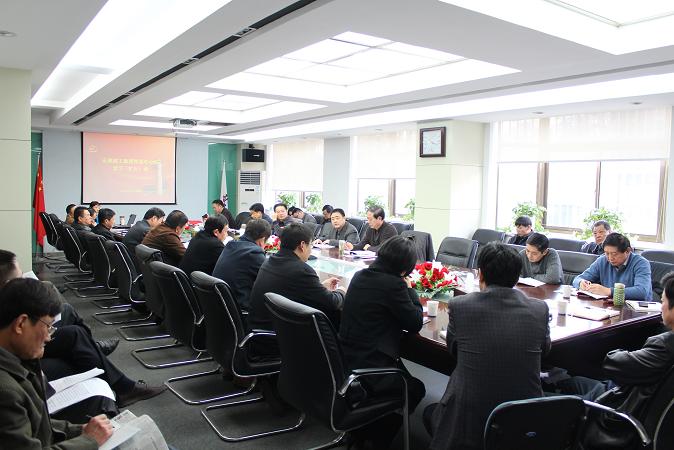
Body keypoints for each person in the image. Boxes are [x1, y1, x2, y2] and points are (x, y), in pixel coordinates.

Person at [424, 242, 550, 450]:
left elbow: (454, 350)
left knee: (432, 412)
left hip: (468, 419)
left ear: (480, 274)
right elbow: (544, 350)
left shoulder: (461, 305)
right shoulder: (539, 309)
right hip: (524, 418)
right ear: (517, 277)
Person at [552, 272, 674, 446]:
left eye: (663, 301)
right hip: (628, 395)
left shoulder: (665, 346)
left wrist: (620, 350)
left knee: (554, 397)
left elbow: (614, 363)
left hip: (617, 411)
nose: (661, 306)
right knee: (573, 381)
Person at [0, 278, 113, 449]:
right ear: (21, 324)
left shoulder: (18, 360)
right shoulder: (6, 392)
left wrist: (79, 431)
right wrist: (89, 440)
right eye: (48, 326)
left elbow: (36, 422)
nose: (48, 337)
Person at [339, 236, 426, 449]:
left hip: (345, 358)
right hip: (371, 364)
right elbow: (415, 323)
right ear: (404, 269)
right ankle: (378, 439)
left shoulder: (360, 275)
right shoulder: (394, 285)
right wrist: (410, 289)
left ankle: (362, 429)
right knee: (414, 389)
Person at [248, 223, 345, 351]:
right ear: (302, 245)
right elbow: (332, 302)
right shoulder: (301, 270)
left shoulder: (270, 261)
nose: (310, 250)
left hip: (259, 332)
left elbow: (292, 289)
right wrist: (341, 291)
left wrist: (320, 287)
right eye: (311, 245)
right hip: (276, 339)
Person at [212, 219, 271, 312]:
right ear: (262, 240)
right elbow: (269, 282)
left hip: (220, 306)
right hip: (239, 310)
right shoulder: (254, 253)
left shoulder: (230, 245)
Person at [573, 232, 652, 300]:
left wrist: (608, 291)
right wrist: (581, 283)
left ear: (627, 251)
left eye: (614, 254)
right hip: (609, 306)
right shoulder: (602, 260)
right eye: (607, 253)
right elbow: (577, 279)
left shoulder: (641, 263)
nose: (610, 258)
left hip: (636, 310)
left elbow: (641, 291)